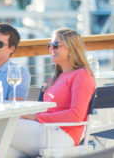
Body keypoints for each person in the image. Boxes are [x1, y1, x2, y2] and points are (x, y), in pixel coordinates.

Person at [7, 28, 96, 157]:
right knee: (1, 149)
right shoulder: (56, 78)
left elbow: (76, 115)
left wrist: (36, 117)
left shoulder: (82, 74)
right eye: (49, 45)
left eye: (55, 45)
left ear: (71, 48)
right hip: (46, 130)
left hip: (62, 135)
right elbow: (47, 111)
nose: (51, 49)